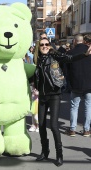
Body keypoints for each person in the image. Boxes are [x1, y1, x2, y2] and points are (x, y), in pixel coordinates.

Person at [34, 37, 91, 167]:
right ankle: (45, 151)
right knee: (41, 125)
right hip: (42, 96)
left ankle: (59, 154)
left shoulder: (55, 55)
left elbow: (69, 59)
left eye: (46, 44)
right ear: (38, 46)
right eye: (42, 44)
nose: (44, 46)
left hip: (54, 95)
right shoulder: (37, 59)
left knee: (54, 125)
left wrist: (84, 55)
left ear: (49, 45)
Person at [65, 34, 91, 137]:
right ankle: (86, 130)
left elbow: (66, 70)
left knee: (74, 106)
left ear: (75, 41)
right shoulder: (89, 52)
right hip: (89, 84)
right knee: (88, 107)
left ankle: (72, 129)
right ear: (83, 41)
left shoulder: (70, 53)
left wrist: (68, 82)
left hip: (75, 84)